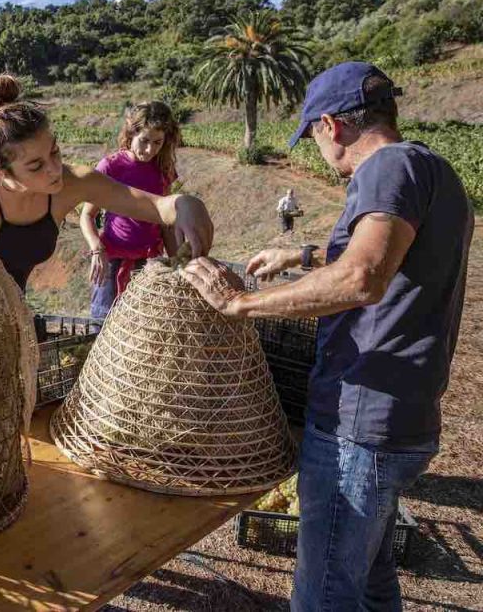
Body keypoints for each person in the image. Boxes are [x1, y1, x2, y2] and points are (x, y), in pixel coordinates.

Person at [182, 62, 472, 611]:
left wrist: (238, 302)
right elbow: (398, 256)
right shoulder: (434, 169)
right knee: (372, 580)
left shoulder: (386, 168)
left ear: (330, 126)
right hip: (400, 417)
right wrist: (304, 254)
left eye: (312, 136)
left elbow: (363, 277)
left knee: (323, 597)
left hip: (358, 424)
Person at [0, 74, 213, 297]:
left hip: (11, 318)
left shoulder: (73, 182)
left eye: (54, 152)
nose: (55, 170)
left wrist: (186, 204)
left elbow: (154, 205)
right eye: (36, 165)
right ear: (2, 172)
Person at [80, 101, 180, 320]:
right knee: (104, 322)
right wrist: (97, 250)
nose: (150, 149)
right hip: (111, 259)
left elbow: (165, 222)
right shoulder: (111, 167)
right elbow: (87, 215)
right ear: (130, 133)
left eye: (157, 143)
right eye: (144, 141)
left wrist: (176, 263)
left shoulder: (163, 170)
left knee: (144, 324)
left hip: (149, 262)